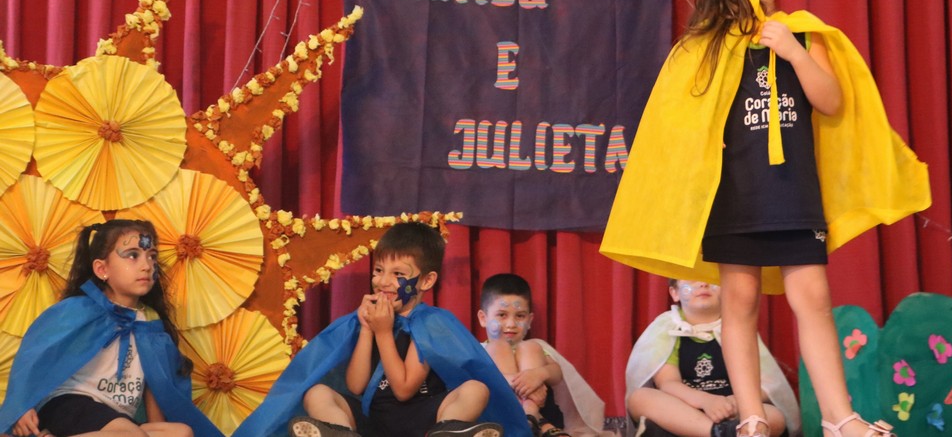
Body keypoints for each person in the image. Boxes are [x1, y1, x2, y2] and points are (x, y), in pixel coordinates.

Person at [602, 0, 931, 437]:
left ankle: (839, 417)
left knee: (814, 299)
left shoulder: (806, 34)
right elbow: (681, 128)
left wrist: (795, 55)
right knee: (739, 304)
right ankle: (752, 417)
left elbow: (831, 101)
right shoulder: (706, 45)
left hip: (793, 193)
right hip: (735, 198)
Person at [235, 221, 525, 437]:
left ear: (426, 281)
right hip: (374, 422)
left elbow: (404, 389)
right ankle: (341, 433)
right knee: (317, 393)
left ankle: (446, 434)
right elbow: (356, 386)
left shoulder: (429, 323)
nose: (383, 281)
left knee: (476, 389)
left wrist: (384, 333)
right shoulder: (372, 320)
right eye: (378, 270)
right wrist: (366, 329)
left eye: (398, 274)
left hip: (423, 422)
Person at [0, 218, 221, 437]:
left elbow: (157, 383)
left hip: (115, 419)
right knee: (130, 434)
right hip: (68, 405)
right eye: (132, 255)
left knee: (181, 432)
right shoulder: (80, 309)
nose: (146, 265)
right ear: (102, 269)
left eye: (152, 256)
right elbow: (33, 357)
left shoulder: (150, 323)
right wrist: (21, 406)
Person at [625, 280, 797, 437]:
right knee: (639, 398)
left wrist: (732, 403)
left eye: (711, 278)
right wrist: (706, 401)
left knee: (774, 417)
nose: (703, 284)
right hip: (684, 409)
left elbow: (766, 386)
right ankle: (719, 433)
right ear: (675, 293)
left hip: (732, 409)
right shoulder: (665, 330)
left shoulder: (738, 328)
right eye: (692, 278)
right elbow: (668, 383)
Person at [475, 274, 612, 437]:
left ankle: (531, 413)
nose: (511, 324)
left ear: (529, 320)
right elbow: (476, 378)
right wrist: (515, 381)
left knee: (531, 346)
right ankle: (538, 422)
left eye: (520, 316)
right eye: (502, 315)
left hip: (542, 408)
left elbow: (557, 372)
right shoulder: (480, 349)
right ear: (483, 318)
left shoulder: (535, 347)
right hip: (501, 416)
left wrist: (538, 374)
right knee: (497, 347)